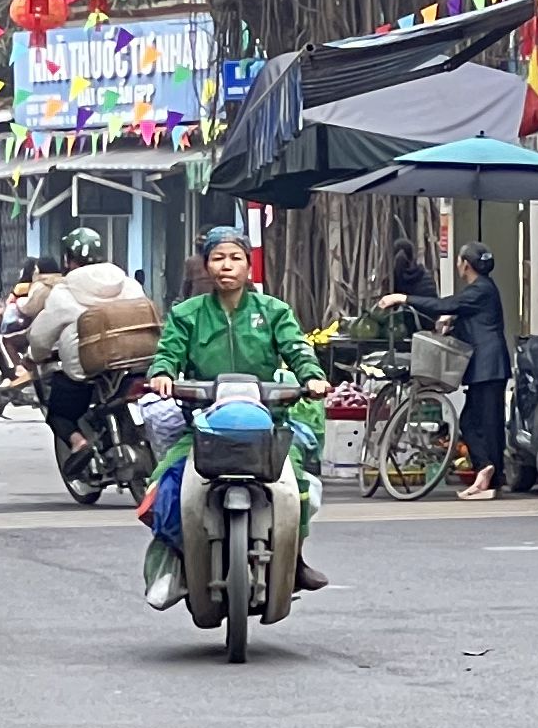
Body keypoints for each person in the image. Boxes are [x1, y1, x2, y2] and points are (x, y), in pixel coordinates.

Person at [144, 225, 330, 609]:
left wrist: (312, 377)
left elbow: (298, 349)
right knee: (166, 484)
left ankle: (293, 558)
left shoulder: (274, 312)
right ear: (207, 265)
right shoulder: (187, 314)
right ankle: (174, 564)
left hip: (266, 424)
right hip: (204, 426)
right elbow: (168, 353)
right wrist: (162, 373)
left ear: (248, 265)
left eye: (235, 258)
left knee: (299, 484)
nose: (226, 266)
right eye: (218, 258)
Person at [385, 239, 514, 498]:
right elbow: (466, 315)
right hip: (487, 367)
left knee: (479, 422)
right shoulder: (482, 289)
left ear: (465, 264)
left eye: (459, 260)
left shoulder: (480, 289)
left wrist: (402, 298)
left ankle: (487, 471)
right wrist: (451, 321)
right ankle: (490, 476)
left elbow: (446, 304)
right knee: (483, 422)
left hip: (488, 366)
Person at [26, 225, 153, 476]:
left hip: (86, 368)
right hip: (135, 361)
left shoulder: (63, 291)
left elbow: (40, 337)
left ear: (67, 259)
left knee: (59, 412)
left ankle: (79, 443)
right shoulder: (128, 283)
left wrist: (34, 356)